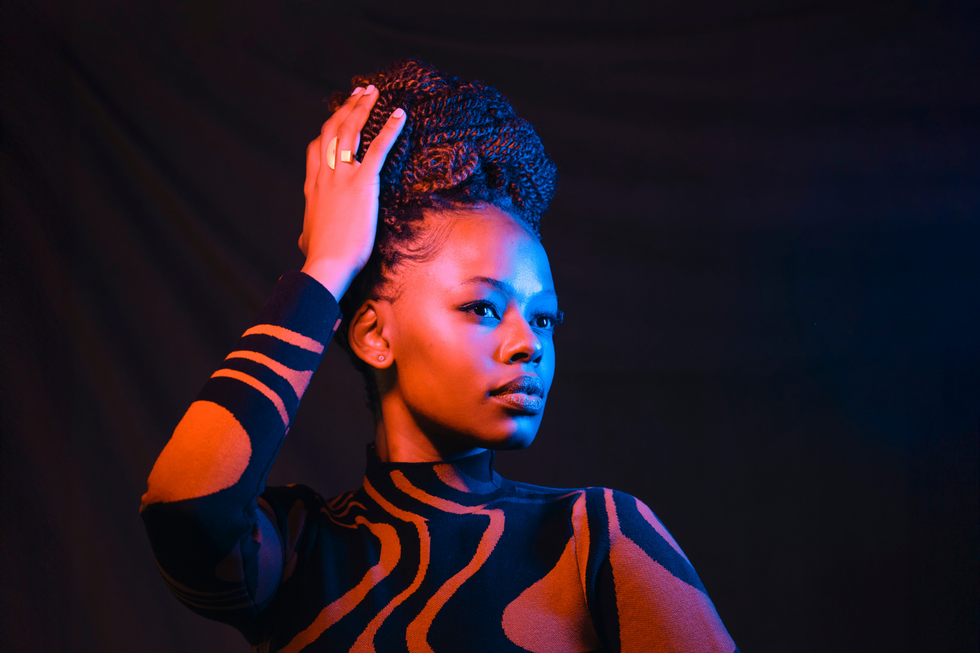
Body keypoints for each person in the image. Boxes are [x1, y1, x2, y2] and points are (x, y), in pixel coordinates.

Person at [140, 59, 738, 653]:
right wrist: (326, 267)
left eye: (544, 318)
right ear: (373, 335)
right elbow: (185, 506)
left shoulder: (594, 537)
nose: (529, 343)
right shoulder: (300, 550)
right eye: (482, 308)